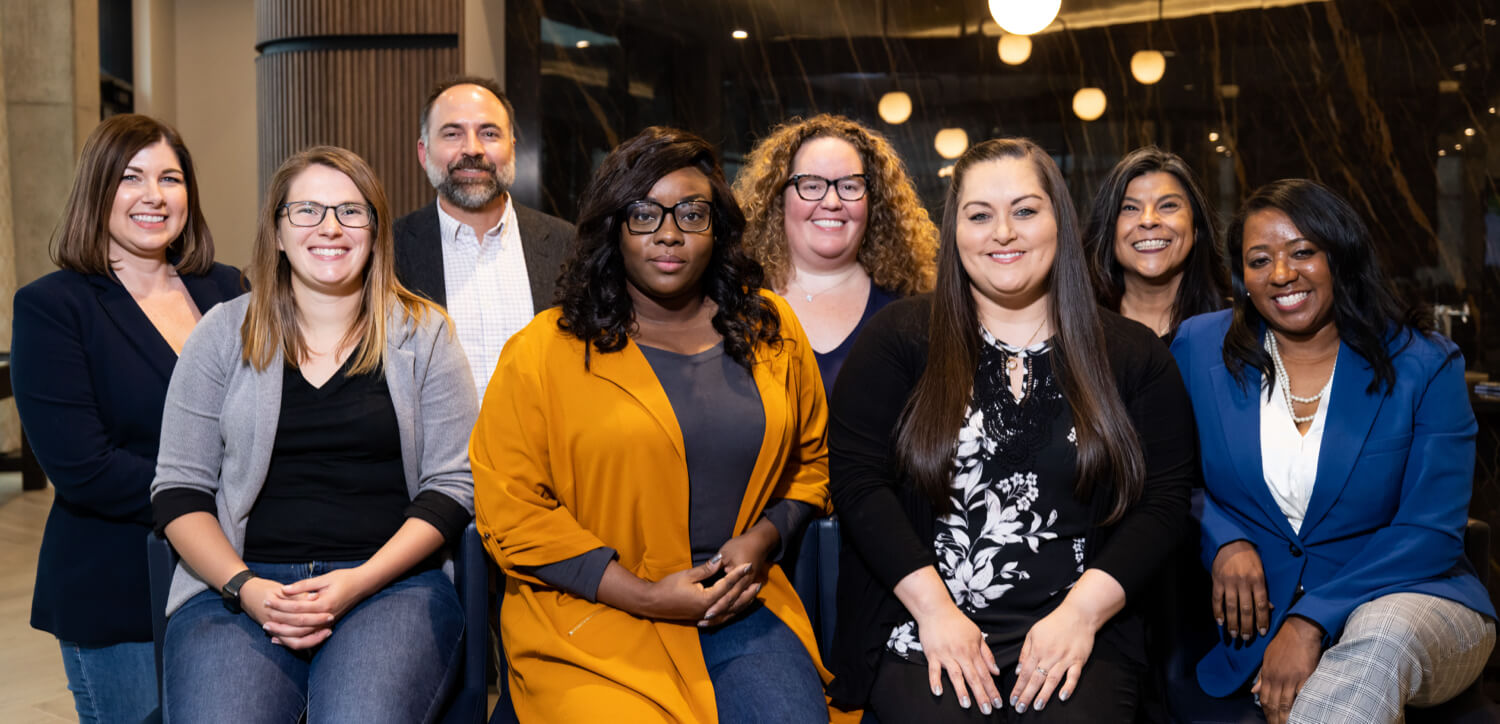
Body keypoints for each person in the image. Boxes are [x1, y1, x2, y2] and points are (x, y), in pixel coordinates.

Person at [472, 126, 836, 723]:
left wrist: (762, 541)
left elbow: (811, 466)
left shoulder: (771, 329)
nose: (669, 233)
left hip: (736, 606)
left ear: (716, 229)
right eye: (644, 214)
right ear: (615, 227)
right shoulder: (544, 350)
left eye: (692, 213)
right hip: (592, 610)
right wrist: (642, 593)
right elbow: (511, 510)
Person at [827, 137, 1196, 721]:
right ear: (955, 232)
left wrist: (1080, 617)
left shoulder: (1132, 356)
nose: (1003, 232)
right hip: (925, 630)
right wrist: (936, 615)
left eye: (1025, 210)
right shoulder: (899, 340)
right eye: (980, 215)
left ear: (1059, 221)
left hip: (1081, 636)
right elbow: (857, 483)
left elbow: (1164, 503)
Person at [150, 146, 477, 722]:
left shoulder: (425, 334)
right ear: (277, 232)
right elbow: (179, 490)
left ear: (376, 232)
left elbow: (452, 485)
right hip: (241, 590)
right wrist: (247, 588)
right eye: (306, 211)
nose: (330, 227)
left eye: (352, 212)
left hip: (390, 586)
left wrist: (356, 583)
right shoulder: (222, 334)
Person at [1171, 178, 1495, 724]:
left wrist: (1309, 621)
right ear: (1241, 278)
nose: (1281, 274)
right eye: (1259, 260)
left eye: (1303, 252)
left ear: (1340, 256)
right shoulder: (1199, 348)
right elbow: (1170, 480)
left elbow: (1431, 533)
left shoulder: (1426, 363)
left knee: (1378, 635)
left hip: (1419, 602)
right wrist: (1224, 540)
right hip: (1252, 635)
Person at [9, 113, 242, 723]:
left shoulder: (229, 290)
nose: (154, 196)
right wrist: (216, 497)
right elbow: (85, 468)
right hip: (117, 585)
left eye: (170, 177)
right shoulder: (52, 307)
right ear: (98, 189)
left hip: (236, 574)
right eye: (131, 178)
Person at [393, 75, 573, 398]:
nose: (473, 149)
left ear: (512, 149)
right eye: (452, 133)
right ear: (424, 152)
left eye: (489, 133)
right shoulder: (389, 252)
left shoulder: (568, 246)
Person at [735, 113, 937, 391]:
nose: (832, 201)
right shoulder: (736, 302)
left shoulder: (911, 309)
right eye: (812, 185)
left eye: (849, 186)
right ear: (777, 198)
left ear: (873, 201)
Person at [1082, 146, 1228, 341]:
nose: (1148, 220)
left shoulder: (1235, 325)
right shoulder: (1076, 326)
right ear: (1109, 230)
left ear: (1196, 227)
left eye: (1168, 205)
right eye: (1130, 208)